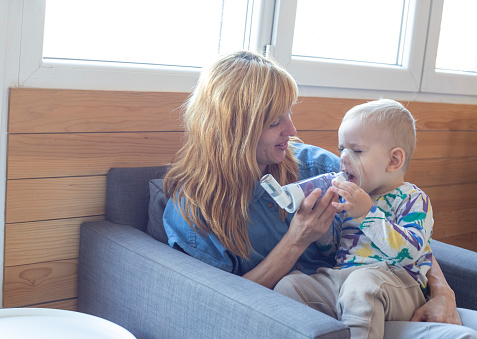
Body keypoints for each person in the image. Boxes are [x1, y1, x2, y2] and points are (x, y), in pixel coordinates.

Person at [162, 50, 477, 337]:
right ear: (235, 129)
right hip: (310, 315)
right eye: (275, 122)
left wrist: (442, 293)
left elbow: (402, 225)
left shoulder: (314, 167)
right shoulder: (196, 212)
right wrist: (295, 241)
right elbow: (217, 304)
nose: (292, 130)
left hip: (378, 301)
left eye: (288, 113)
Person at [273, 99, 434, 338]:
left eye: (357, 151)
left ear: (394, 160)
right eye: (342, 149)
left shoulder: (413, 199)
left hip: (397, 284)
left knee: (361, 285)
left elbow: (410, 252)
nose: (344, 159)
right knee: (291, 285)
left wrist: (367, 214)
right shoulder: (354, 197)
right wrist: (323, 225)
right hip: (343, 278)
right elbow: (333, 250)